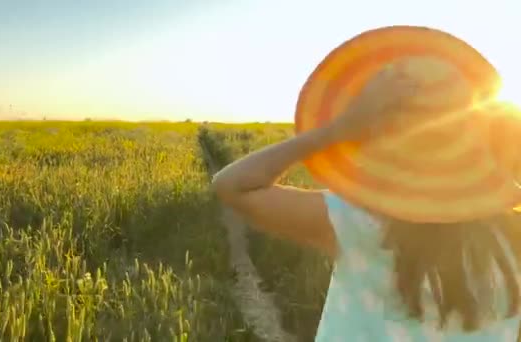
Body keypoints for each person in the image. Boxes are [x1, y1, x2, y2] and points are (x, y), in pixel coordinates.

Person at [212, 26, 521, 341]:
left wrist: (340, 129)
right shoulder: (513, 235)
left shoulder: (358, 223)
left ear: (387, 145)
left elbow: (233, 185)